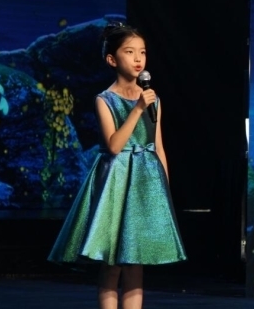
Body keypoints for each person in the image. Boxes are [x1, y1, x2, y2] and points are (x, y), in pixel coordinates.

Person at [48, 22, 186, 309]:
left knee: (136, 263)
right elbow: (114, 145)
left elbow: (158, 146)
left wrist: (164, 189)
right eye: (129, 52)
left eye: (142, 52)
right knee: (112, 263)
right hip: (116, 180)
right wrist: (137, 109)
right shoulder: (105, 100)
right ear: (112, 60)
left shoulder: (153, 99)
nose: (138, 59)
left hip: (145, 182)